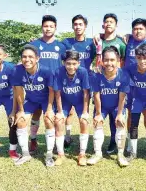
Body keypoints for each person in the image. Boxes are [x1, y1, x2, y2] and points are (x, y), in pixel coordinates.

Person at [11, 45, 63, 167]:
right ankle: (25, 154)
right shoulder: (18, 70)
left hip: (46, 100)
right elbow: (18, 91)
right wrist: (21, 110)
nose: (27, 59)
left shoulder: (46, 71)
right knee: (21, 121)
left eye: (30, 57)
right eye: (24, 57)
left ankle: (49, 155)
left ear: (37, 58)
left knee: (49, 120)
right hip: (31, 100)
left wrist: (49, 109)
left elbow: (51, 91)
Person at [28, 15, 65, 155]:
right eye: (45, 26)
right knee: (36, 114)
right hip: (36, 84)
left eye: (51, 26)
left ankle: (56, 142)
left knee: (52, 116)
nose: (48, 28)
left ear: (55, 28)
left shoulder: (61, 46)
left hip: (53, 86)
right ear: (42, 27)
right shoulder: (34, 45)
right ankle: (33, 139)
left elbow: (67, 63)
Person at [87, 46, 130, 167]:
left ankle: (120, 154)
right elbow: (96, 95)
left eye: (112, 60)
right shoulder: (96, 75)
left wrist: (120, 114)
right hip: (103, 107)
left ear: (118, 61)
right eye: (106, 60)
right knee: (98, 123)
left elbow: (122, 97)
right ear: (102, 61)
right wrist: (99, 114)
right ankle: (97, 154)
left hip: (117, 106)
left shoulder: (123, 75)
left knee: (121, 124)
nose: (109, 63)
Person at [61, 14, 96, 151]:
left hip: (85, 82)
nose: (78, 27)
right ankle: (67, 136)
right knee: (68, 112)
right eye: (75, 24)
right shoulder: (66, 43)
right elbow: (52, 46)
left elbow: (99, 54)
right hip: (69, 81)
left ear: (85, 26)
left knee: (83, 112)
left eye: (80, 24)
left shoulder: (91, 43)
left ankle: (84, 142)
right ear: (72, 26)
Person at [93, 13, 127, 154]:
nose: (108, 24)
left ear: (116, 25)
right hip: (102, 78)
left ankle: (115, 142)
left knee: (117, 118)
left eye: (111, 22)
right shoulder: (97, 40)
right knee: (101, 113)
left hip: (116, 79)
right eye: (106, 21)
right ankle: (97, 151)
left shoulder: (121, 42)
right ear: (103, 24)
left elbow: (125, 59)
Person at [123, 18, 146, 154]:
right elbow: (108, 35)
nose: (138, 31)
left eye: (141, 28)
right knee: (131, 114)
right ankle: (130, 144)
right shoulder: (127, 42)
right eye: (135, 29)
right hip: (131, 86)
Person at [54, 50, 91, 166]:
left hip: (80, 101)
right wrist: (60, 112)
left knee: (84, 122)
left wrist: (85, 112)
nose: (71, 66)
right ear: (64, 63)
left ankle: (82, 154)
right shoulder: (59, 71)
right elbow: (58, 93)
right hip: (65, 100)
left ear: (78, 63)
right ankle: (60, 154)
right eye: (68, 63)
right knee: (59, 121)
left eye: (74, 63)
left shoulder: (83, 72)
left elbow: (86, 93)